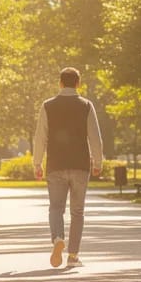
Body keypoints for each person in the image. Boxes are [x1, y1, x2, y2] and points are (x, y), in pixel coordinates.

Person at [33, 67, 104, 268]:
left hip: (56, 165)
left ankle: (57, 238)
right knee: (77, 212)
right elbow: (95, 137)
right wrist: (98, 162)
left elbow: (40, 137)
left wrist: (37, 163)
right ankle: (73, 256)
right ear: (78, 83)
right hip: (80, 165)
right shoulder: (86, 105)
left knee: (56, 208)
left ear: (60, 83)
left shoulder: (47, 106)